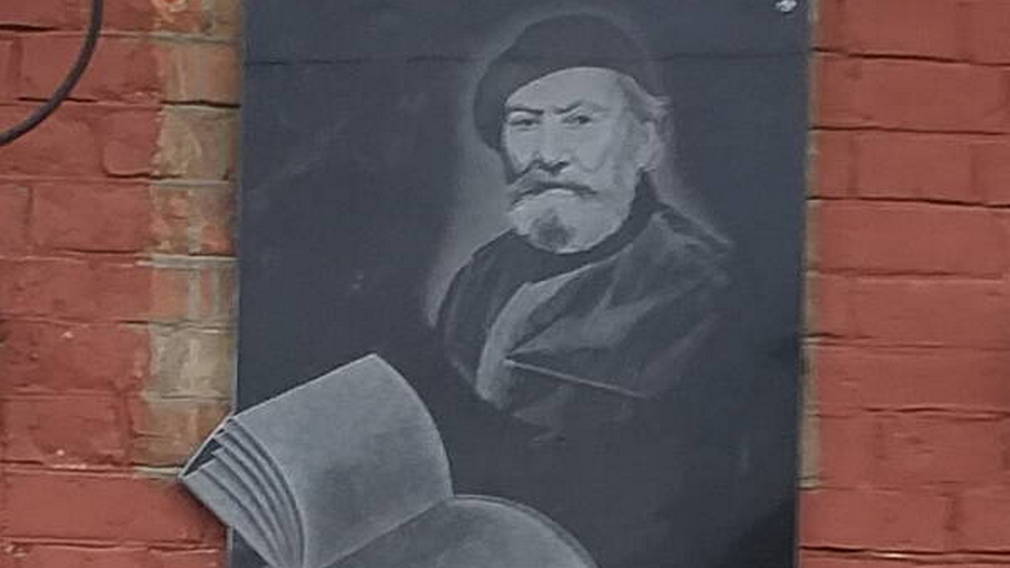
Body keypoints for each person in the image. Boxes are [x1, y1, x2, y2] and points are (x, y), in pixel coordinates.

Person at [421, 13, 796, 568]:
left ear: (647, 140)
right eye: (524, 124)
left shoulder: (706, 290)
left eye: (579, 121)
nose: (548, 153)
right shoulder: (482, 274)